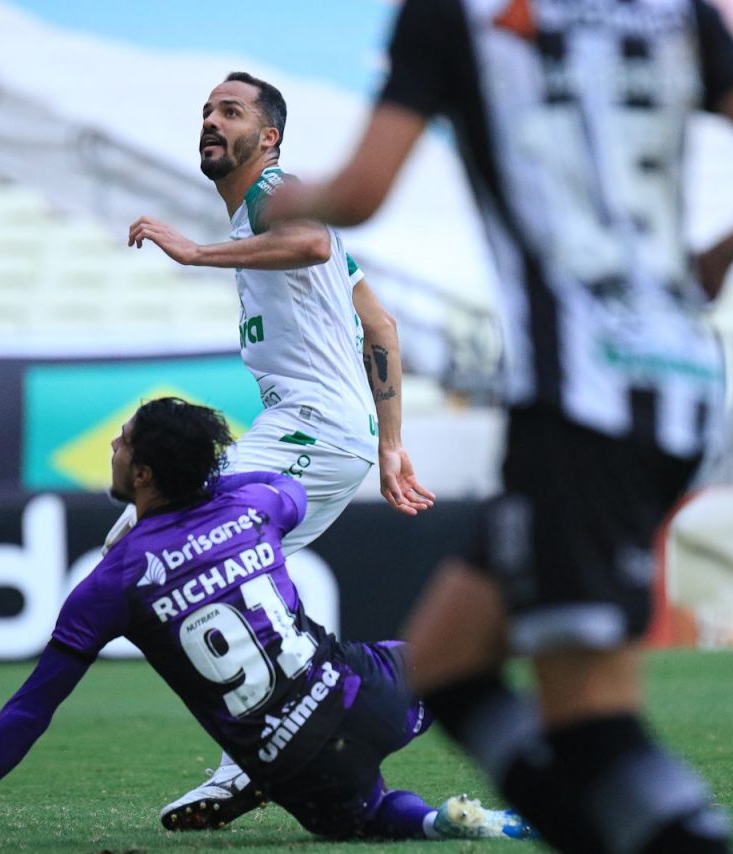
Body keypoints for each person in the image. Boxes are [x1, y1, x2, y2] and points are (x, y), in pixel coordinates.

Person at [268, 1, 733, 851]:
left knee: (591, 720)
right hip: (679, 379)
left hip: (583, 400)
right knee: (450, 664)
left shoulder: (453, 18)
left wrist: (277, 202)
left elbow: (359, 193)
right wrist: (720, 255)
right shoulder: (674, 12)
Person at [0, 397, 531, 852]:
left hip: (288, 767)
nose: (113, 447)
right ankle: (541, 773)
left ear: (145, 473)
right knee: (446, 663)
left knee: (369, 815)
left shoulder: (112, 581)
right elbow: (291, 491)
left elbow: (33, 705)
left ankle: (444, 825)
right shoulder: (255, 505)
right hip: (357, 695)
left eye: (122, 443)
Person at [115, 70, 435, 830]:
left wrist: (192, 254)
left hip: (311, 426)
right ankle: (265, 750)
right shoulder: (267, 226)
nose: (211, 121)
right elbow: (380, 328)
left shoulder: (276, 197)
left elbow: (311, 239)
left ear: (270, 138)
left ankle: (361, 695)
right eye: (205, 111)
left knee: (152, 544)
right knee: (221, 578)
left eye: (231, 111)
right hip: (335, 433)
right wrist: (390, 446)